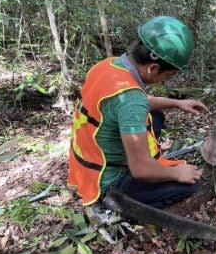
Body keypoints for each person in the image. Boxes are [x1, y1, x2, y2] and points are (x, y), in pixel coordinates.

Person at [67, 16, 207, 209]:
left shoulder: (108, 65)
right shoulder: (131, 100)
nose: (166, 80)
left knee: (156, 116)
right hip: (107, 180)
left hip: (87, 160)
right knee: (192, 185)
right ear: (153, 68)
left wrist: (178, 103)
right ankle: (117, 203)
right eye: (168, 75)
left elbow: (128, 103)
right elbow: (141, 169)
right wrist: (178, 173)